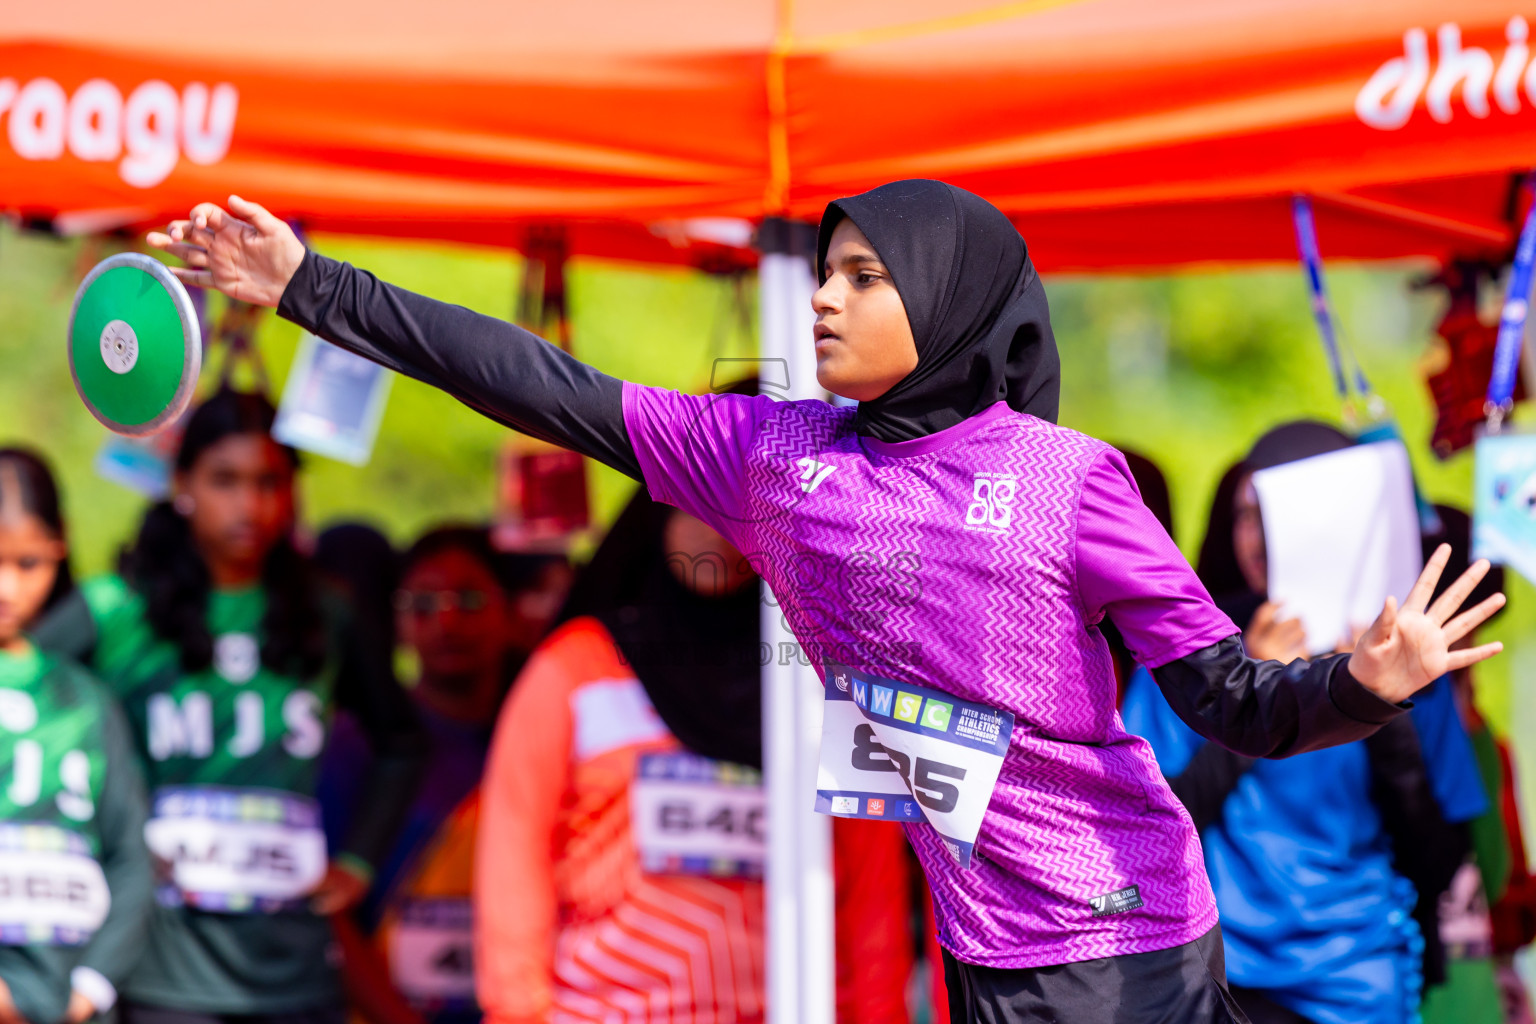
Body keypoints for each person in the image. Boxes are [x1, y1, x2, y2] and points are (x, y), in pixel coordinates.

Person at [149, 182, 1504, 1024]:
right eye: (827, 271)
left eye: (868, 277)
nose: (829, 299)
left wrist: (1363, 682)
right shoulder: (772, 455)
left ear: (956, 303)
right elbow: (540, 384)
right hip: (977, 938)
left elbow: (1228, 701)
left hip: (1125, 936)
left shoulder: (1067, 482)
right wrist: (311, 287)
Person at [32, 391, 426, 1024]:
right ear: (182, 485)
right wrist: (93, 838)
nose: (250, 505)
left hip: (292, 964)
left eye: (269, 482)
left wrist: (357, 862)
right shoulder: (116, 610)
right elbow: (24, 697)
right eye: (225, 481)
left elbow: (401, 743)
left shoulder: (327, 613)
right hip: (161, 962)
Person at [474, 482, 914, 1023]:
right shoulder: (574, 670)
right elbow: (514, 858)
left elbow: (873, 888)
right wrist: (516, 1014)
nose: (712, 527)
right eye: (695, 501)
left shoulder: (824, 684)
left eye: (739, 505)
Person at [1123, 429, 1488, 1024]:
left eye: (1281, 509)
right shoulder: (1183, 650)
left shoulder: (1409, 658)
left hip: (1358, 984)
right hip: (1221, 978)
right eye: (1246, 512)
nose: (1260, 534)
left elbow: (1440, 850)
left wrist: (1371, 697)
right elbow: (1147, 830)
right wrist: (1248, 692)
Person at [321, 526, 570, 1024]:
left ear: (509, 612)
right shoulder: (359, 744)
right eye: (423, 604)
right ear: (398, 623)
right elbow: (329, 912)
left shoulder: (554, 734)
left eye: (471, 599)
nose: (448, 621)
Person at [0, 449, 151, 1024]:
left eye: (28, 563)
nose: (7, 587)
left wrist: (87, 990)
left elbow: (131, 855)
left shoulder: (85, 699)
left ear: (60, 548)